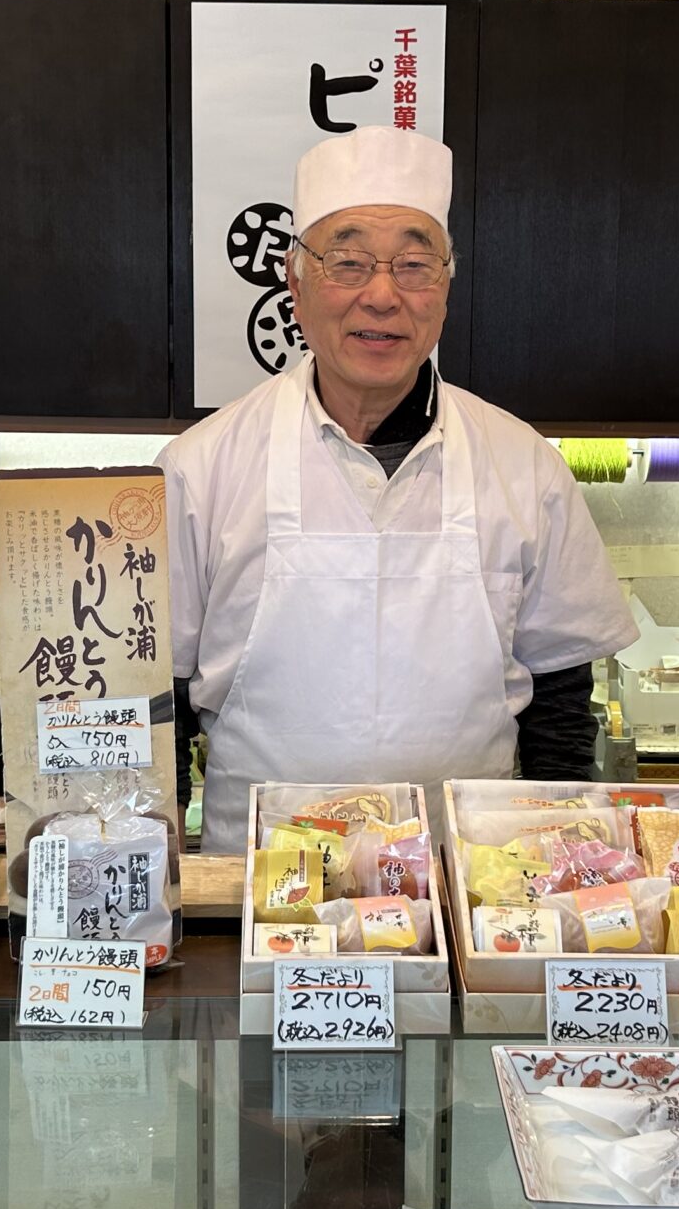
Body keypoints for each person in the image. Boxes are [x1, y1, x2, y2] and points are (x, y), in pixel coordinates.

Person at [162, 126, 636, 855]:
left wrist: (556, 857)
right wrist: (166, 869)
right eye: (348, 263)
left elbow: (561, 701)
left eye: (414, 266)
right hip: (259, 882)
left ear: (445, 288)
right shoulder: (201, 467)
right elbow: (160, 700)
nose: (382, 296)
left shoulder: (525, 466)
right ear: (295, 283)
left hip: (471, 877)